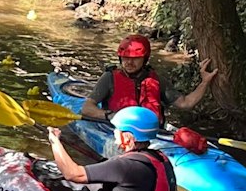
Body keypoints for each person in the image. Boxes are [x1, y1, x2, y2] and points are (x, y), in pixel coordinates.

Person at [45, 106, 179, 191]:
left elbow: (72, 174)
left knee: (61, 189)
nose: (114, 132)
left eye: (117, 129)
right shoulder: (159, 157)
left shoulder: (124, 166)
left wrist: (55, 141)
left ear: (128, 136)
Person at [76, 34, 215, 124]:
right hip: (117, 131)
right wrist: (110, 116)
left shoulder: (157, 80)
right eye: (125, 58)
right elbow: (87, 108)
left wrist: (205, 81)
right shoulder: (109, 78)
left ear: (145, 59)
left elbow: (186, 103)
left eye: (135, 58)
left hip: (152, 135)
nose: (129, 63)